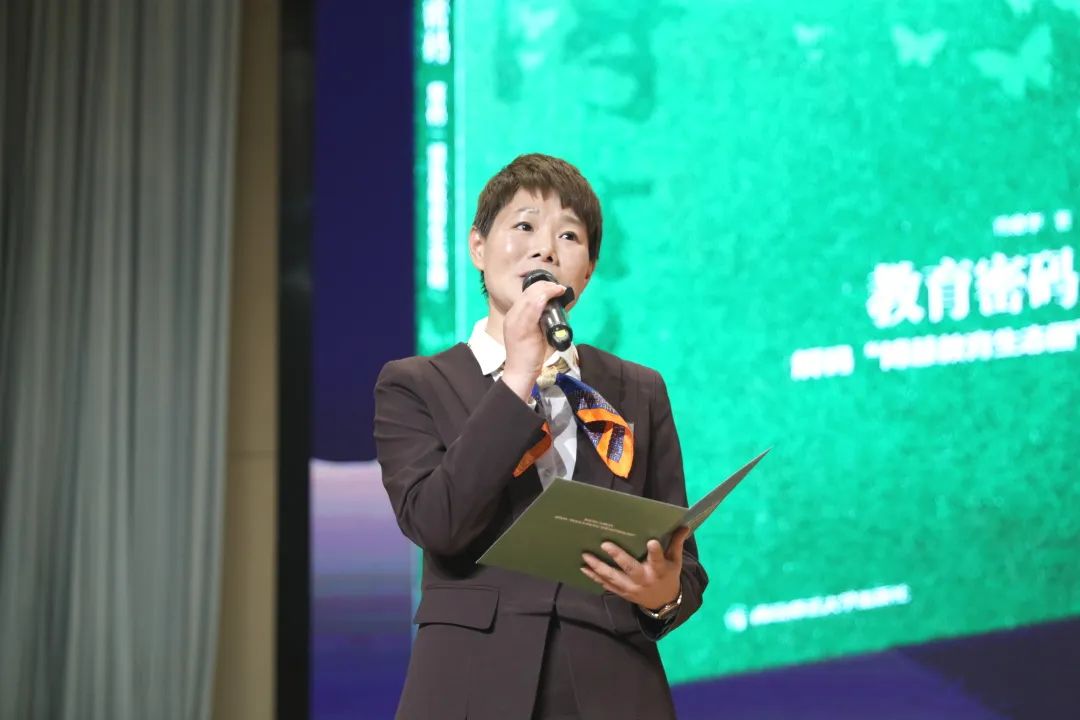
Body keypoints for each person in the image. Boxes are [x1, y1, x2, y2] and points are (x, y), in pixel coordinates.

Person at [374, 153, 707, 720]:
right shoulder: (415, 384)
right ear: (478, 247)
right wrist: (519, 375)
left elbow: (683, 562)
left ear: (588, 270)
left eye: (569, 236)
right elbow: (437, 522)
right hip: (469, 685)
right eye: (524, 226)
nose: (545, 249)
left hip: (614, 688)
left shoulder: (639, 389)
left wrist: (663, 595)